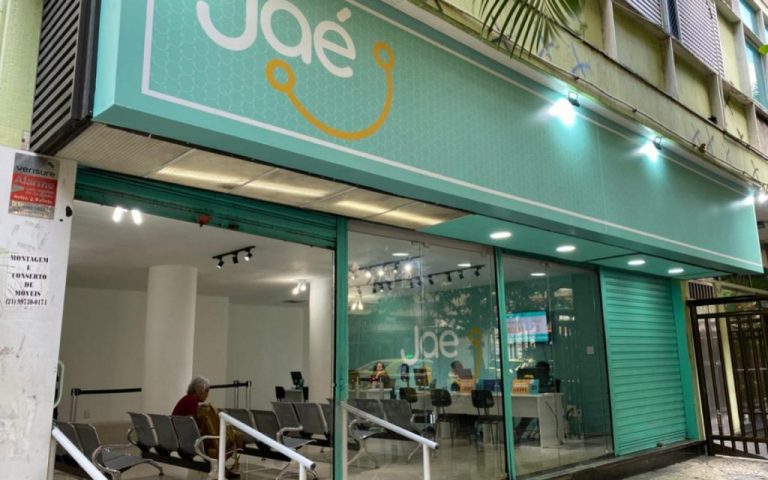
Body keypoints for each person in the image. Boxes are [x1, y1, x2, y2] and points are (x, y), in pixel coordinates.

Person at [173, 376, 242, 478]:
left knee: (215, 438)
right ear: (199, 390)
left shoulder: (186, 400)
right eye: (206, 391)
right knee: (229, 440)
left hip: (181, 440)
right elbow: (192, 428)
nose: (207, 395)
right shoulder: (191, 402)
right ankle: (220, 468)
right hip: (189, 442)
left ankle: (219, 467)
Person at [514, 361, 560, 445]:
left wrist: (537, 389)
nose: (538, 371)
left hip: (546, 404)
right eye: (537, 369)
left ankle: (545, 438)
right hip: (533, 402)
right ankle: (516, 436)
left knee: (533, 415)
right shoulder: (533, 380)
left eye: (540, 369)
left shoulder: (550, 379)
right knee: (526, 416)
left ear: (546, 370)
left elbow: (548, 390)